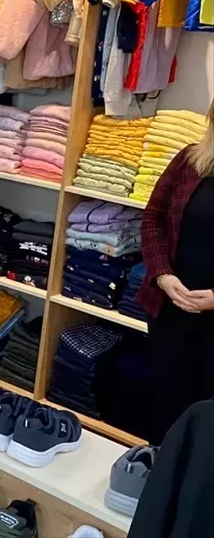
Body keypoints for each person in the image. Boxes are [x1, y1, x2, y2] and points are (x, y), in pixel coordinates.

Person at [141, 98, 214, 443]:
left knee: (206, 414)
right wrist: (162, 274)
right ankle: (157, 464)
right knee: (167, 401)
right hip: (170, 309)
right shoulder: (189, 161)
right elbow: (153, 218)